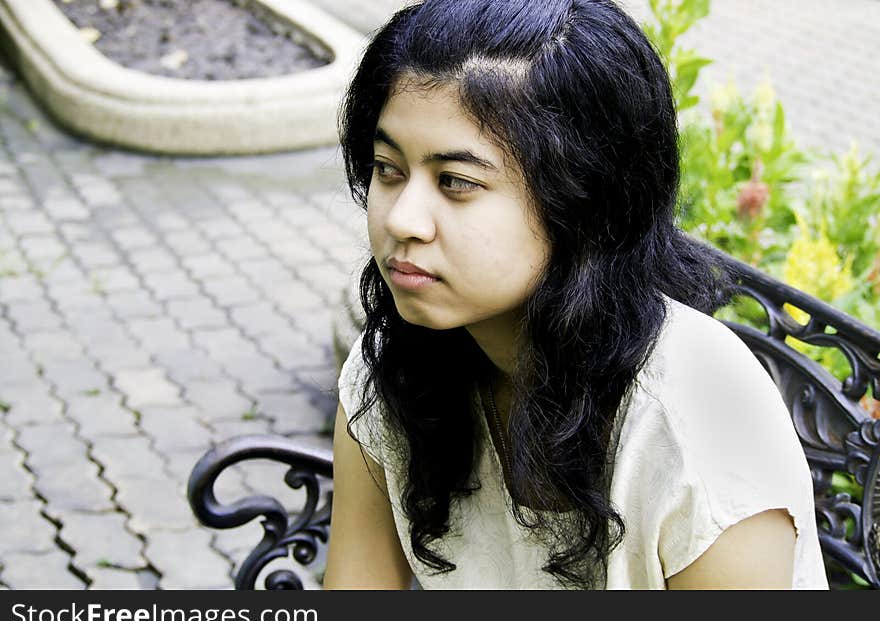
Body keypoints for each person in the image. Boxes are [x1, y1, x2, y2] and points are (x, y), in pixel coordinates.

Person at [323, 0, 828, 589]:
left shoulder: (694, 422)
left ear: (583, 200)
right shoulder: (393, 371)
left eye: (456, 182)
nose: (403, 219)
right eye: (389, 168)